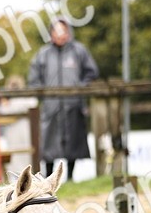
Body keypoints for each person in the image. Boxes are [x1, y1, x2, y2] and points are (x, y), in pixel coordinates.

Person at [27, 18, 98, 177]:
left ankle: (70, 177)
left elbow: (91, 72)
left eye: (63, 31)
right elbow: (33, 78)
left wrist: (81, 87)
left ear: (68, 32)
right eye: (57, 31)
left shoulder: (79, 51)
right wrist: (42, 93)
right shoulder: (42, 54)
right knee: (49, 144)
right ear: (51, 33)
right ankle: (48, 178)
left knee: (73, 142)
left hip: (74, 105)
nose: (60, 35)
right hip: (51, 107)